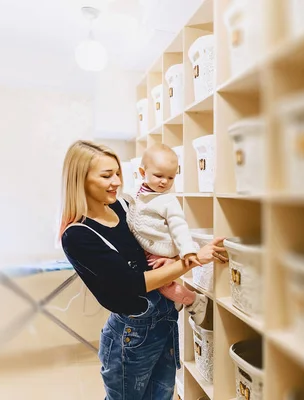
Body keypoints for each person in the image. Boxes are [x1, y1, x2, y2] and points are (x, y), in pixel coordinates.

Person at [58, 140, 228, 400]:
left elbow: (157, 246)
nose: (116, 181)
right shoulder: (78, 234)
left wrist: (173, 259)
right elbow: (134, 283)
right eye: (106, 175)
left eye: (117, 173)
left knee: (162, 395)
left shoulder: (123, 207)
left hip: (165, 318)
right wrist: (192, 260)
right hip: (133, 333)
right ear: (80, 179)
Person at [123, 144, 208, 325]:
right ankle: (177, 298)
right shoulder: (137, 193)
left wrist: (187, 251)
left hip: (159, 250)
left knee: (162, 285)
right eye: (159, 176)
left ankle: (193, 300)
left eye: (170, 177)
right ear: (142, 172)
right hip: (144, 246)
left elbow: (179, 226)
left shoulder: (168, 200)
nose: (164, 182)